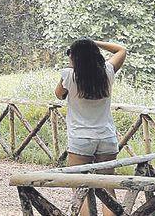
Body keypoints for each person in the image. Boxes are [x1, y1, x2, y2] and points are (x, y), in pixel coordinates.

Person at [56, 39, 128, 216]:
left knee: (80, 188)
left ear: (75, 57)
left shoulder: (69, 75)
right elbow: (121, 50)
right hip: (106, 137)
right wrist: (94, 42)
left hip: (81, 138)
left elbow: (59, 95)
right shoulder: (108, 72)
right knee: (108, 189)